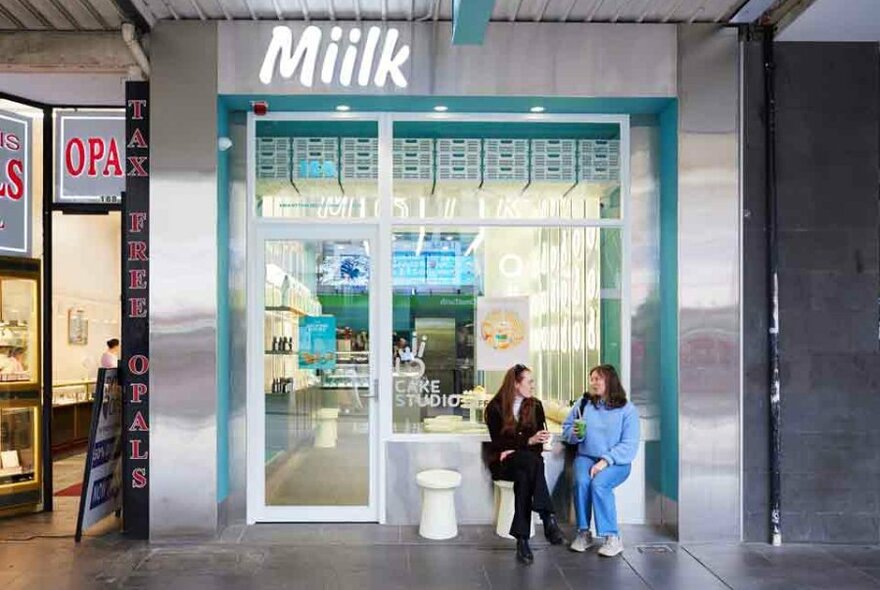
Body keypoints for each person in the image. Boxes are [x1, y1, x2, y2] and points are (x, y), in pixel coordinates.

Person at [485, 363, 565, 564]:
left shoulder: (535, 405)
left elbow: (536, 446)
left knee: (525, 473)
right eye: (529, 382)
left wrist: (522, 445)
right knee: (531, 463)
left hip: (526, 463)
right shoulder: (494, 408)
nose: (533, 385)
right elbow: (499, 444)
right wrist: (527, 441)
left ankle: (522, 542)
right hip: (503, 465)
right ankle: (548, 517)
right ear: (515, 384)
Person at [563, 364, 639, 557]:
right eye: (592, 379)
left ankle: (612, 537)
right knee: (581, 482)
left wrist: (605, 461)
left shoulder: (627, 410)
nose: (593, 383)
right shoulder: (584, 403)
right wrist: (575, 433)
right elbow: (568, 428)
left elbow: (629, 445)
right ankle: (583, 533)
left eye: (598, 379)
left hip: (616, 462)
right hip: (586, 456)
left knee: (599, 484)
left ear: (610, 381)